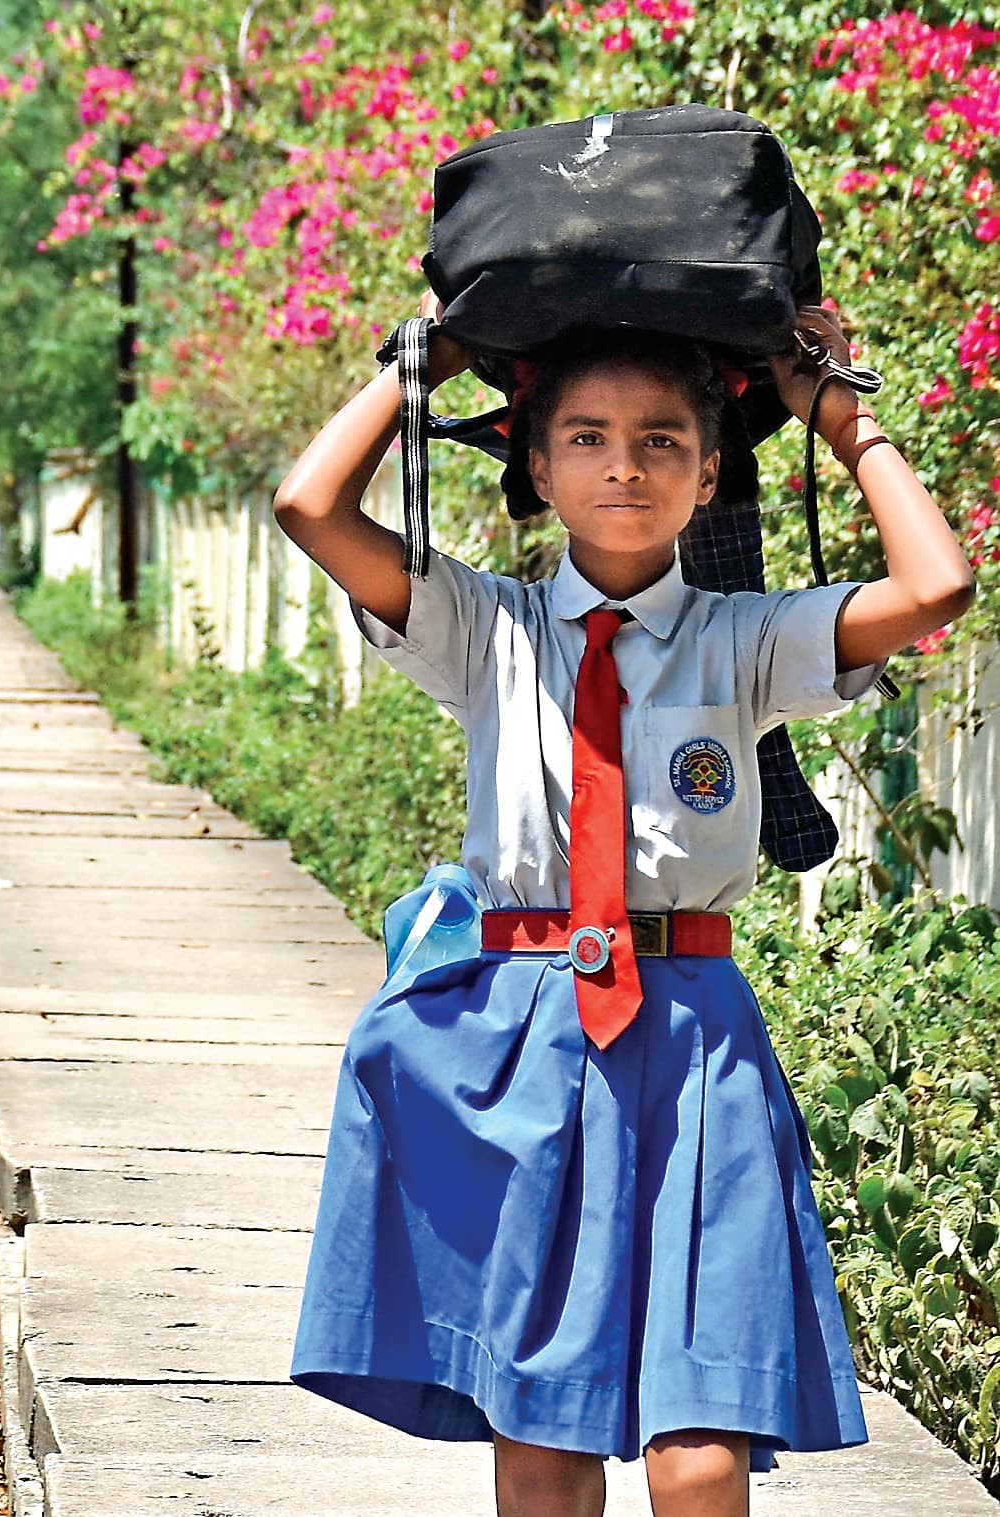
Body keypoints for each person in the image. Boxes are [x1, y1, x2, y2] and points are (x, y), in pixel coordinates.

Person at [278, 294, 975, 1517]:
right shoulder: (480, 623)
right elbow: (309, 506)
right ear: (536, 465)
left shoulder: (746, 638)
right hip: (516, 1037)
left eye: (663, 440)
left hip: (695, 1043)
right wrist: (425, 359)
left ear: (710, 475)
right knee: (542, 1441)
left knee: (697, 1455)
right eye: (587, 435)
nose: (624, 464)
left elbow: (936, 584)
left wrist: (833, 411)